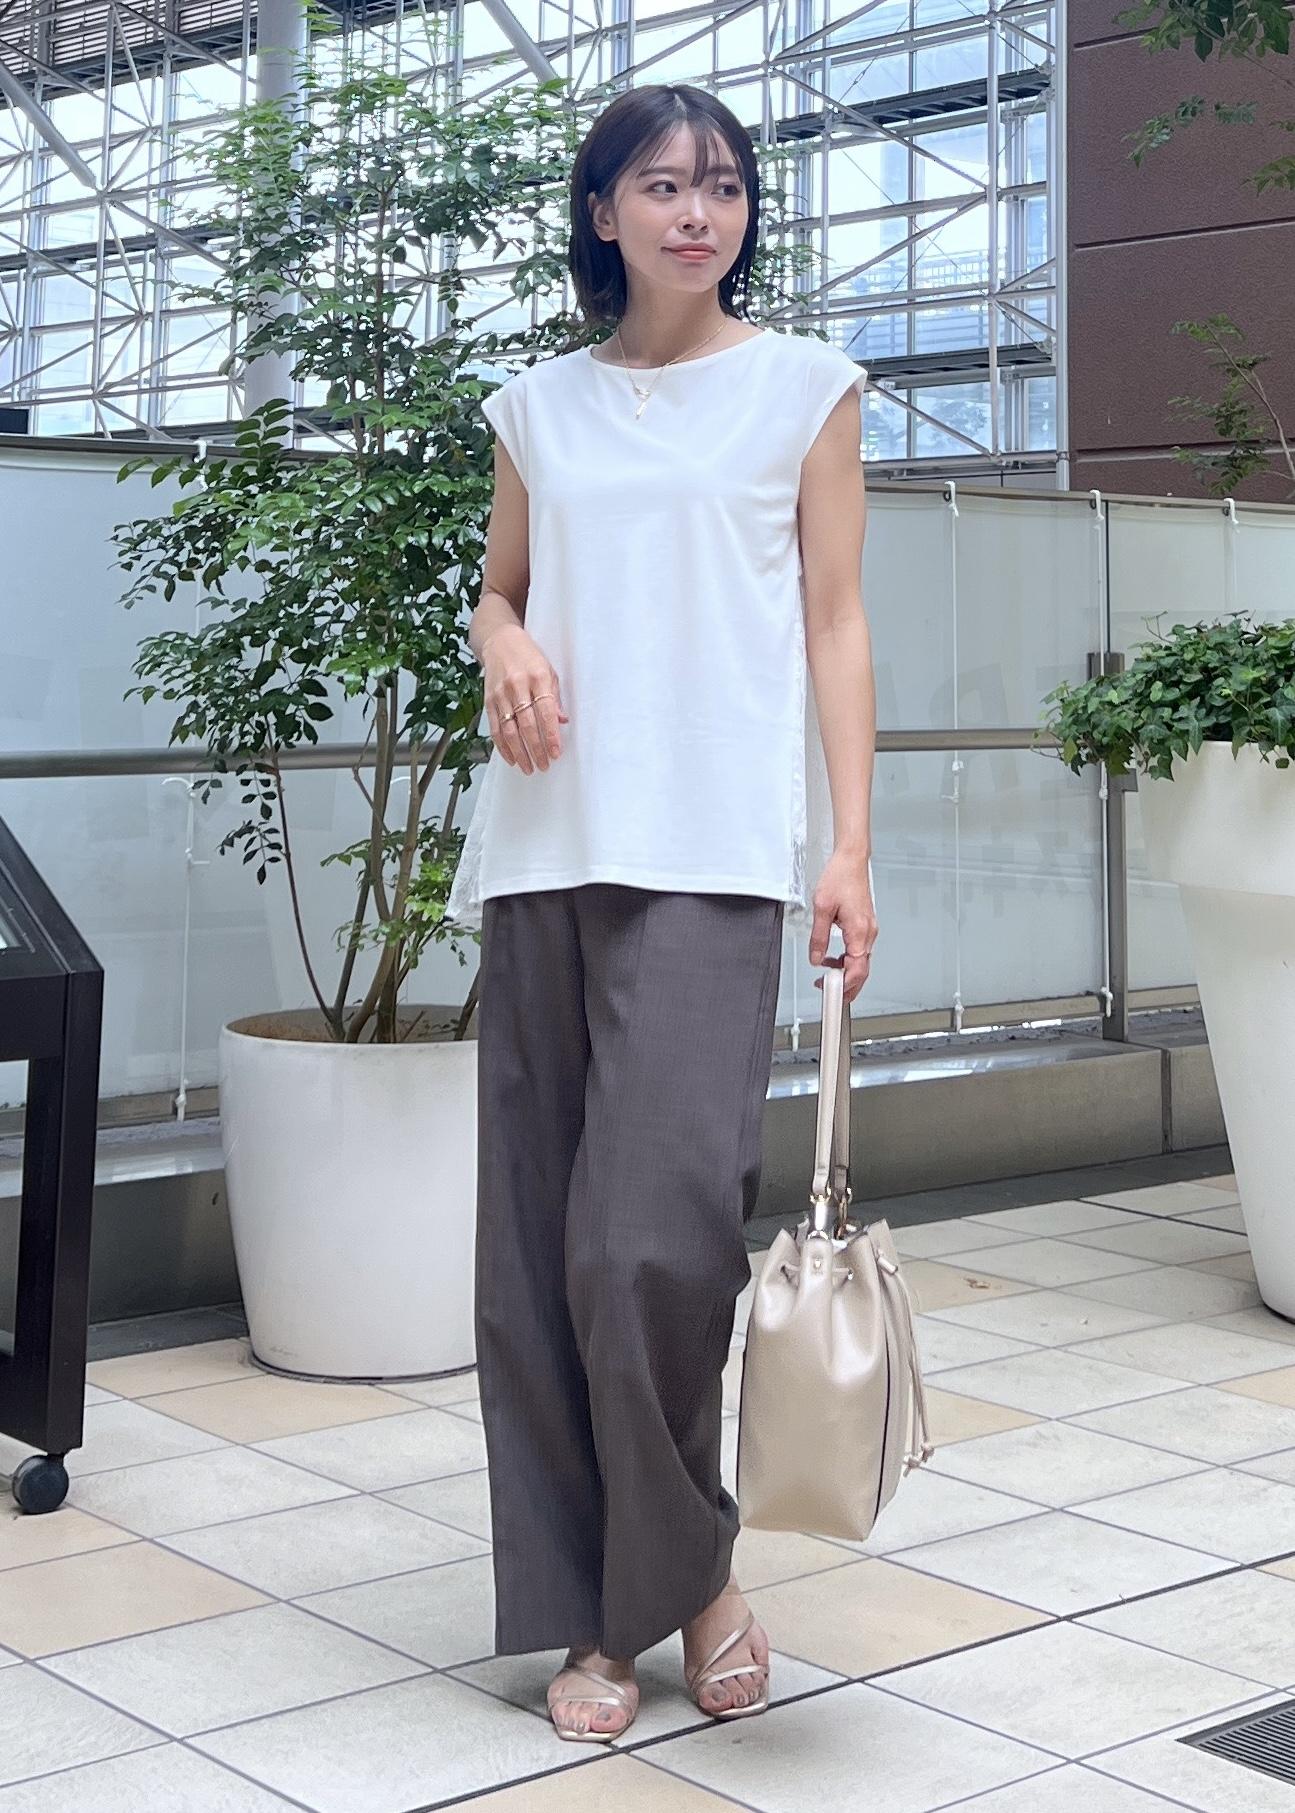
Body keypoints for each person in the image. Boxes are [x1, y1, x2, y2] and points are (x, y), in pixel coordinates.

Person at [446, 81, 878, 1743]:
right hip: (546, 850)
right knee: (536, 1261)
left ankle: (687, 1568)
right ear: (603, 212)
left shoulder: (803, 389)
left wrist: (851, 846)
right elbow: (500, 587)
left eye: (724, 187)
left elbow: (835, 621)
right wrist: (504, 638)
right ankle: (605, 1613)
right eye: (663, 185)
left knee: (652, 1242)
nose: (699, 213)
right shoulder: (536, 409)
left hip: (714, 855)